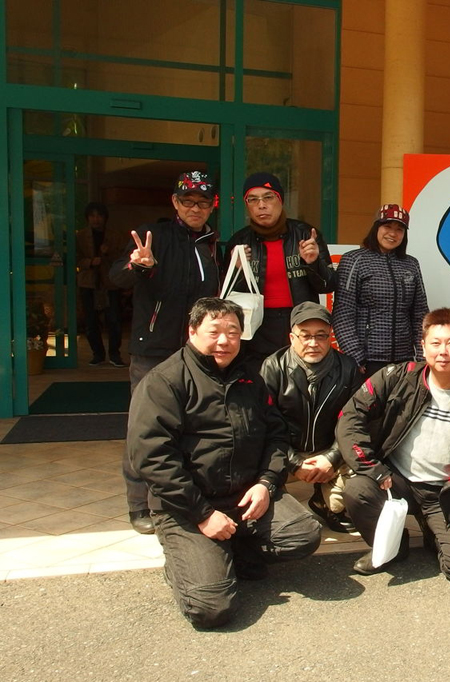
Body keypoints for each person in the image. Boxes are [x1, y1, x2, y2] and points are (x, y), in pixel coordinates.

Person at [127, 297, 321, 629]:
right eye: (214, 331)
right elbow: (153, 458)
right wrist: (202, 514)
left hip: (244, 497)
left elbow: (276, 435)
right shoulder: (165, 381)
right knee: (211, 608)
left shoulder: (250, 378)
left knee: (303, 535)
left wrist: (266, 483)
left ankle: (229, 551)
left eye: (232, 332)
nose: (224, 340)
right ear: (192, 331)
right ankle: (189, 563)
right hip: (187, 506)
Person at [335, 308, 450, 582]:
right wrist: (372, 468)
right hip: (396, 482)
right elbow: (350, 417)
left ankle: (434, 532)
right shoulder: (397, 377)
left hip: (448, 495)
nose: (443, 352)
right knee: (358, 490)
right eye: (435, 343)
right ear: (423, 346)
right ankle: (393, 546)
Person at [110, 170, 221, 534]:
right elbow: (116, 277)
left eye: (202, 202)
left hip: (197, 353)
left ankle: (179, 500)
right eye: (187, 201)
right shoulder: (152, 236)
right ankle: (139, 504)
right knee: (145, 428)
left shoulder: (212, 245)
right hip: (153, 351)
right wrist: (137, 264)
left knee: (192, 427)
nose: (195, 208)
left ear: (212, 206)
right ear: (175, 202)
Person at [260, 301, 361, 533]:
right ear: (292, 337)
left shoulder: (347, 368)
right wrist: (295, 463)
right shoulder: (273, 367)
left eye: (321, 336)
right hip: (284, 453)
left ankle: (326, 502)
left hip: (328, 452)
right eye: (305, 336)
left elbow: (354, 423)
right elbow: (264, 424)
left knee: (364, 469)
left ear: (330, 337)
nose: (313, 343)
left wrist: (331, 458)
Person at [224, 172, 336, 365]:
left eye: (268, 197)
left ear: (281, 200)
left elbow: (328, 285)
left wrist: (313, 262)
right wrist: (237, 269)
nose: (261, 205)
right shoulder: (240, 241)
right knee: (259, 377)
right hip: (256, 326)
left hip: (299, 323)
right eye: (253, 199)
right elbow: (228, 294)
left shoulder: (304, 234)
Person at [332, 204, 429, 376]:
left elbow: (420, 313)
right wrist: (355, 356)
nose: (393, 233)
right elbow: (343, 314)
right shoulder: (354, 260)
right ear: (376, 227)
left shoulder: (411, 264)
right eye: (387, 226)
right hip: (367, 360)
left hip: (404, 359)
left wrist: (422, 356)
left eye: (399, 229)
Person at [77, 202, 126, 367]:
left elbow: (123, 258)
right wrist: (90, 262)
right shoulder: (80, 236)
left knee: (114, 319)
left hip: (110, 282)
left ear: (105, 218)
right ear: (87, 218)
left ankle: (115, 354)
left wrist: (107, 253)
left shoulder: (115, 236)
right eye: (92, 216)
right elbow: (75, 259)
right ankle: (97, 354)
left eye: (99, 215)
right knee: (90, 320)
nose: (96, 219)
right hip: (88, 282)